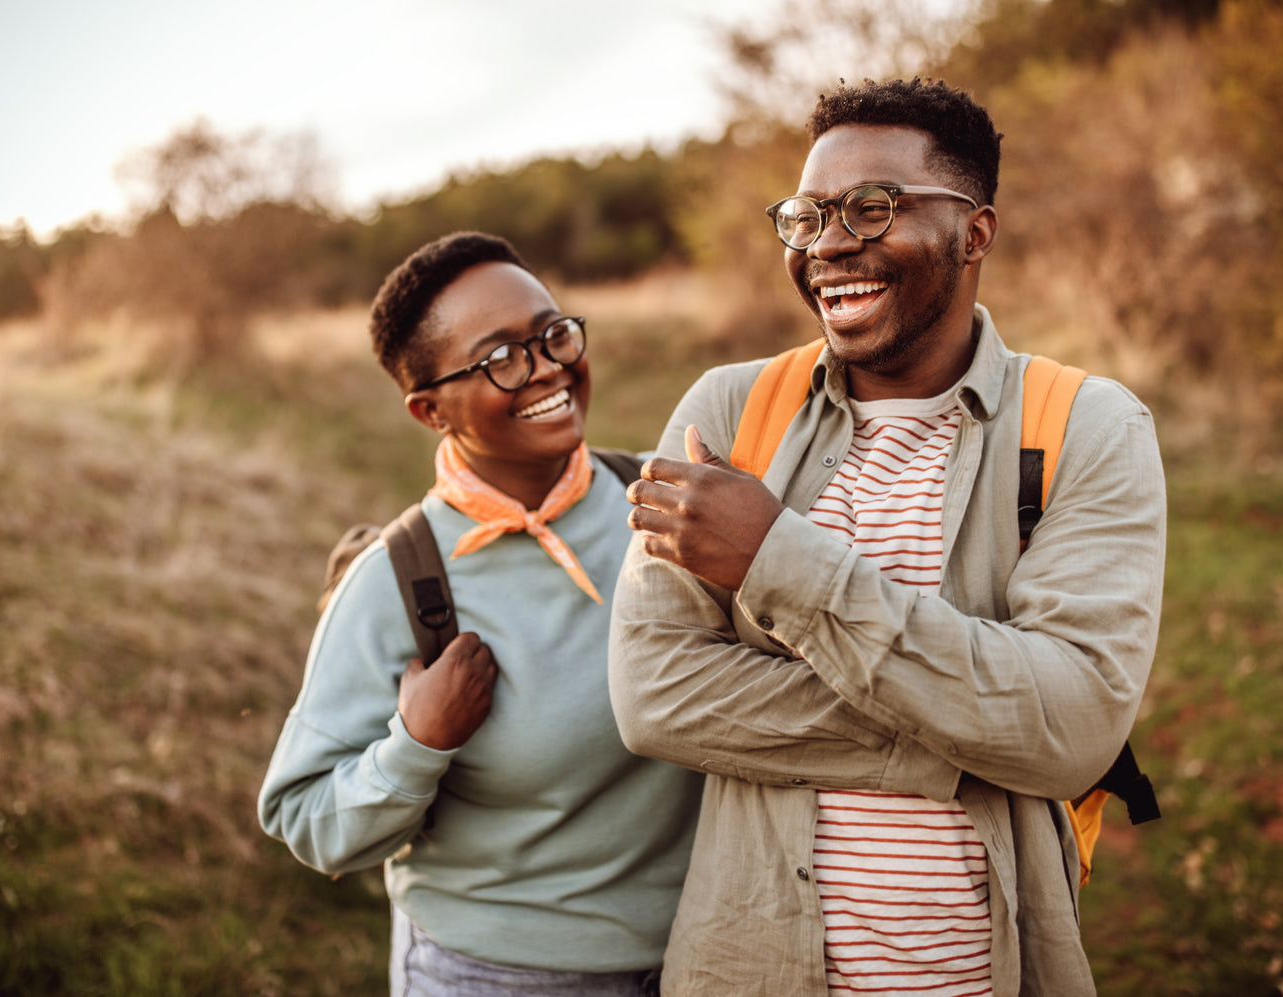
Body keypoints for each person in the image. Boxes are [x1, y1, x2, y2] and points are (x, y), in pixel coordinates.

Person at [609, 78, 1166, 995]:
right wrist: (975, 738)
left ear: (974, 232)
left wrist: (774, 559)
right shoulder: (729, 411)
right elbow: (655, 693)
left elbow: (1071, 726)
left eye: (872, 209)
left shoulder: (1087, 426)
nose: (829, 244)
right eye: (808, 215)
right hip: (750, 967)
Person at [259, 231, 703, 996]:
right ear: (430, 409)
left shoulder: (667, 504)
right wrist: (417, 743)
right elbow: (305, 816)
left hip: (703, 956)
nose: (549, 368)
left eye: (553, 333)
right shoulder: (400, 581)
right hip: (493, 975)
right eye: (502, 357)